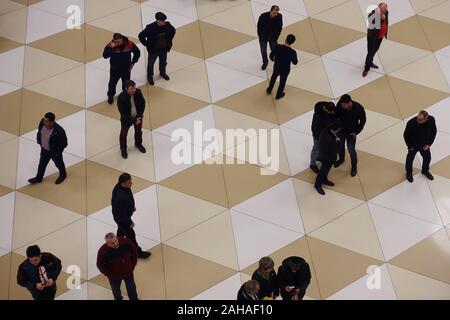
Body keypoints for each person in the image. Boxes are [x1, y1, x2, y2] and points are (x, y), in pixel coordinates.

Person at [111, 173, 151, 259]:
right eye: (129, 182)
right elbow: (121, 213)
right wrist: (129, 222)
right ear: (123, 183)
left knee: (121, 231)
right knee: (131, 236)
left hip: (119, 218)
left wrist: (131, 207)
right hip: (122, 219)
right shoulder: (121, 197)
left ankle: (118, 245)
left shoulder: (120, 186)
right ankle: (138, 252)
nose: (131, 184)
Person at [28, 112, 68, 185]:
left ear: (52, 122)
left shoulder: (59, 131)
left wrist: (57, 152)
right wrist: (39, 143)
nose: (44, 122)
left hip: (54, 152)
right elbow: (39, 133)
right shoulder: (42, 123)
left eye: (46, 121)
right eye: (44, 120)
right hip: (44, 150)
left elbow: (64, 144)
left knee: (59, 164)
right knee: (41, 164)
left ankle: (63, 175)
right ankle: (38, 178)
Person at [97, 233, 139, 300]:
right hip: (114, 276)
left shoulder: (125, 241)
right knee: (115, 290)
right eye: (112, 243)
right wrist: (110, 274)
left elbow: (134, 251)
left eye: (116, 241)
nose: (116, 244)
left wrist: (132, 265)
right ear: (107, 244)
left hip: (128, 271)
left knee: (131, 288)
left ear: (116, 238)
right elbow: (100, 265)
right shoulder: (103, 251)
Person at [138, 12, 176, 86]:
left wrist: (169, 40)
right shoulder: (150, 27)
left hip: (164, 49)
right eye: (162, 21)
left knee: (163, 62)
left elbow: (173, 31)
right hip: (153, 50)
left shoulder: (167, 25)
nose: (164, 22)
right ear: (157, 20)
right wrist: (146, 44)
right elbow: (141, 36)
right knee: (151, 64)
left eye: (164, 20)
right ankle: (150, 77)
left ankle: (162, 73)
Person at [103, 33, 141, 105]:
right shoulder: (111, 45)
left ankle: (125, 96)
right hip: (115, 69)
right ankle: (110, 96)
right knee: (112, 84)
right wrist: (111, 48)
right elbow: (105, 55)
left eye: (118, 42)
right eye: (115, 41)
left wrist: (133, 62)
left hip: (126, 69)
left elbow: (137, 52)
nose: (117, 43)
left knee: (126, 84)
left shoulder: (129, 43)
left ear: (122, 39)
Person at [334, 94, 366, 177]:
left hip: (351, 133)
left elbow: (363, 121)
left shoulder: (358, 108)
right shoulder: (340, 105)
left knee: (351, 149)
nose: (342, 106)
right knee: (340, 146)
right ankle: (341, 159)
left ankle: (354, 167)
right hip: (340, 131)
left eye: (344, 105)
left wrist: (356, 132)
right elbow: (335, 116)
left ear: (349, 103)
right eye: (341, 104)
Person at [404, 111, 437, 183]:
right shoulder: (411, 123)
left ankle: (425, 170)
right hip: (413, 146)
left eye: (420, 120)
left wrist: (429, 144)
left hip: (425, 145)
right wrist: (410, 146)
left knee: (427, 158)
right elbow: (406, 135)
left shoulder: (431, 120)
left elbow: (433, 132)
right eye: (418, 118)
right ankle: (409, 172)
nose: (418, 120)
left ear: (426, 118)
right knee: (410, 159)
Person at [117, 80, 146, 159]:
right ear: (126, 89)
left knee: (138, 131)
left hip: (138, 117)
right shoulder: (121, 98)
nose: (133, 90)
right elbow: (123, 113)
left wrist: (139, 116)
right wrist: (133, 120)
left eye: (134, 88)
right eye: (131, 89)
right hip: (126, 119)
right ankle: (123, 149)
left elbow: (143, 103)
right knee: (123, 134)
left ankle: (138, 144)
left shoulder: (138, 92)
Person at [266, 34, 298, 100]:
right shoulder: (292, 52)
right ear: (292, 42)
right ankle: (279, 94)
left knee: (273, 77)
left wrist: (273, 59)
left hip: (277, 66)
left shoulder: (278, 47)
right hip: (285, 70)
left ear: (285, 39)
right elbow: (295, 62)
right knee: (282, 82)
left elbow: (271, 55)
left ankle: (269, 89)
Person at [314, 121, 342, 196]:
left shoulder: (326, 131)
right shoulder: (329, 140)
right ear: (333, 130)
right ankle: (317, 185)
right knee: (323, 171)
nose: (339, 131)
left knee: (325, 170)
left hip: (326, 156)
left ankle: (324, 180)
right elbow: (336, 150)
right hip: (327, 158)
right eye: (338, 130)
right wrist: (338, 142)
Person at [363, 3, 389, 77]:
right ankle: (367, 67)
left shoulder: (386, 12)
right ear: (378, 8)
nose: (383, 11)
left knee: (376, 49)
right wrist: (380, 18)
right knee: (370, 52)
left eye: (384, 9)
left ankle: (370, 62)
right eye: (381, 9)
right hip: (372, 37)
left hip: (380, 36)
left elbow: (386, 22)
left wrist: (385, 33)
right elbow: (373, 26)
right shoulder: (372, 14)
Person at [310, 101, 336, 174]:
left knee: (319, 148)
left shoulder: (324, 106)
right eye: (330, 112)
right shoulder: (319, 116)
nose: (332, 113)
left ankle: (319, 157)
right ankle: (312, 164)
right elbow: (316, 128)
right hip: (318, 135)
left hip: (322, 133)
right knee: (316, 148)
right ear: (326, 110)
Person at [257, 5, 283, 70]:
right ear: (270, 11)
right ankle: (265, 62)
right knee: (263, 51)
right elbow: (259, 26)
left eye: (276, 13)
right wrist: (260, 35)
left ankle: (275, 60)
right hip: (263, 37)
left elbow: (280, 26)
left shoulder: (279, 16)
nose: (275, 14)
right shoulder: (263, 16)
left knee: (274, 50)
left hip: (273, 37)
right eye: (274, 13)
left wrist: (277, 35)